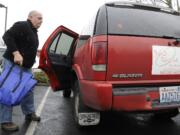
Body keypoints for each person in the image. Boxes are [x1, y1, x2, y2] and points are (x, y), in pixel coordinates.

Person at [0, 10, 43, 132]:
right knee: (8, 90)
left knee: (28, 89)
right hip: (13, 63)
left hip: (26, 67)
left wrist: (36, 51)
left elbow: (26, 44)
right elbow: (7, 36)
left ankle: (29, 113)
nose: (41, 21)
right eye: (39, 18)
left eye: (42, 19)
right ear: (30, 17)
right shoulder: (23, 25)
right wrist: (16, 53)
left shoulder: (34, 31)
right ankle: (5, 120)